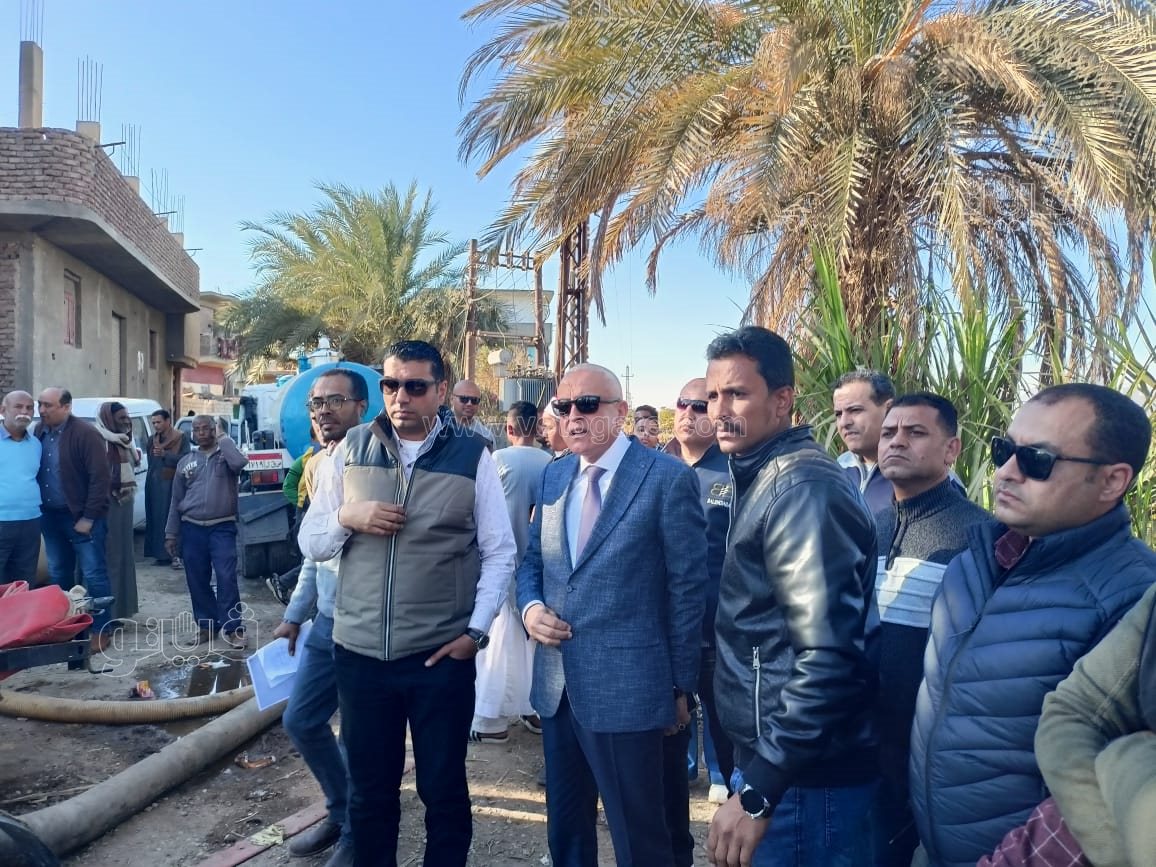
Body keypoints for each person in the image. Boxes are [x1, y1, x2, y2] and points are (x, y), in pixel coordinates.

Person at [909, 383, 1156, 867]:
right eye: (1004, 450)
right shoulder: (973, 561)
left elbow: (1101, 779)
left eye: (1036, 460)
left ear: (1112, 481)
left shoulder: (1132, 597)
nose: (1006, 471)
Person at [299, 340, 516, 867]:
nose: (401, 397)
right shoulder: (350, 450)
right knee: (370, 793)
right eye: (391, 385)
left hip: (438, 658)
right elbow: (311, 541)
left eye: (415, 386)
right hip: (360, 656)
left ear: (440, 391)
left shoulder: (473, 457)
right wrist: (348, 517)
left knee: (443, 789)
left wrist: (475, 633)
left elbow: (500, 552)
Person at [517, 363, 708, 867]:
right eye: (563, 406)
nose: (573, 416)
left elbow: (687, 589)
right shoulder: (554, 475)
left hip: (631, 689)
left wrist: (680, 686)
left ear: (620, 411)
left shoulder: (666, 478)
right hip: (557, 686)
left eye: (587, 405)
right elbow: (533, 561)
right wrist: (530, 608)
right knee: (567, 831)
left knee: (640, 837)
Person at [703, 327, 878, 867]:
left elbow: (828, 657)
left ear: (782, 400)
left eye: (737, 393)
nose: (720, 410)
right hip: (781, 765)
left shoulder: (801, 490)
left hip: (804, 781)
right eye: (713, 396)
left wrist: (762, 786)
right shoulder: (759, 476)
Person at [870, 393, 992, 867]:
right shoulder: (868, 527)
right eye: (889, 433)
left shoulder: (983, 536)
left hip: (933, 755)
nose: (897, 442)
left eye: (915, 432)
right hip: (864, 747)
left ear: (951, 449)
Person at [273, 370, 367, 867]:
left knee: (355, 735)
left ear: (361, 406)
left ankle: (356, 833)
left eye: (335, 400)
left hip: (365, 624)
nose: (323, 410)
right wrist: (295, 614)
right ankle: (341, 809)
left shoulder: (372, 461)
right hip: (327, 621)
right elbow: (315, 550)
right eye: (316, 403)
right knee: (302, 720)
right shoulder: (319, 463)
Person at [658, 378, 735, 867]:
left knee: (732, 753)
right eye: (682, 404)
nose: (689, 412)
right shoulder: (655, 469)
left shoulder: (735, 473)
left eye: (700, 405)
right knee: (667, 762)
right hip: (665, 642)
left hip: (722, 642)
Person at [471, 401, 553, 743]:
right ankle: (533, 710)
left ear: (509, 429)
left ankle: (490, 722)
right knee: (532, 647)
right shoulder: (551, 462)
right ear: (538, 429)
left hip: (501, 566)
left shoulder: (497, 461)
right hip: (539, 571)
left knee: (495, 648)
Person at [36, 387, 113, 648]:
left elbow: (100, 479)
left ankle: (101, 630)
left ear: (67, 407)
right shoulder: (39, 432)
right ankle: (67, 627)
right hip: (50, 517)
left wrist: (88, 518)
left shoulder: (85, 434)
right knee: (59, 574)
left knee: (94, 574)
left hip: (82, 519)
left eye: (48, 405)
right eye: (40, 404)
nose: (42, 410)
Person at [164, 415, 249, 648]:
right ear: (192, 433)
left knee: (226, 577)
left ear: (214, 430)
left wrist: (223, 437)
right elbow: (176, 500)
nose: (201, 433)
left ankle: (233, 628)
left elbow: (239, 464)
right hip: (191, 528)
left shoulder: (226, 456)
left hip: (222, 528)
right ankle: (207, 626)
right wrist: (171, 533)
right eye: (197, 429)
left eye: (206, 428)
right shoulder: (185, 462)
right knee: (197, 579)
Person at [95, 402, 140, 622]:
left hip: (124, 505)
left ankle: (120, 610)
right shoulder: (98, 439)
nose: (126, 421)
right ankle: (104, 614)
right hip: (105, 505)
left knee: (123, 556)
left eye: (127, 416)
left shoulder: (125, 441)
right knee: (107, 556)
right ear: (108, 419)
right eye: (121, 417)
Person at [833, 370, 895, 515]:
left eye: (855, 410)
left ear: (889, 409)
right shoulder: (839, 469)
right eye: (838, 414)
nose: (844, 422)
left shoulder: (920, 474)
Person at [0, 390, 42, 584]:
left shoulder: (35, 444)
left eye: (29, 408)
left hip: (30, 522)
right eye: (18, 407)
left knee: (24, 582)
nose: (24, 412)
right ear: (3, 410)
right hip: (1, 520)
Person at [144, 409, 189, 568]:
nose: (156, 425)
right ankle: (160, 555)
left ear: (168, 421)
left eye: (159, 422)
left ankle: (175, 555)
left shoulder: (180, 438)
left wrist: (166, 455)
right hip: (155, 484)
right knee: (156, 519)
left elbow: (186, 459)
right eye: (154, 423)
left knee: (171, 518)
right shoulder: (152, 440)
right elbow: (151, 461)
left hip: (172, 484)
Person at [451, 378, 495, 446]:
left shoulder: (486, 436)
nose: (469, 403)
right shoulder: (438, 427)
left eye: (474, 400)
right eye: (464, 399)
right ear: (452, 399)